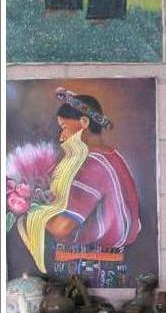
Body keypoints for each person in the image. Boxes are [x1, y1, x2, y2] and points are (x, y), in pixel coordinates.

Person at [16, 87, 141, 278]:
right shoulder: (113, 157)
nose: (62, 137)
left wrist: (27, 207)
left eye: (65, 128)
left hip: (90, 269)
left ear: (84, 122)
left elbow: (60, 228)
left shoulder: (91, 166)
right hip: (112, 263)